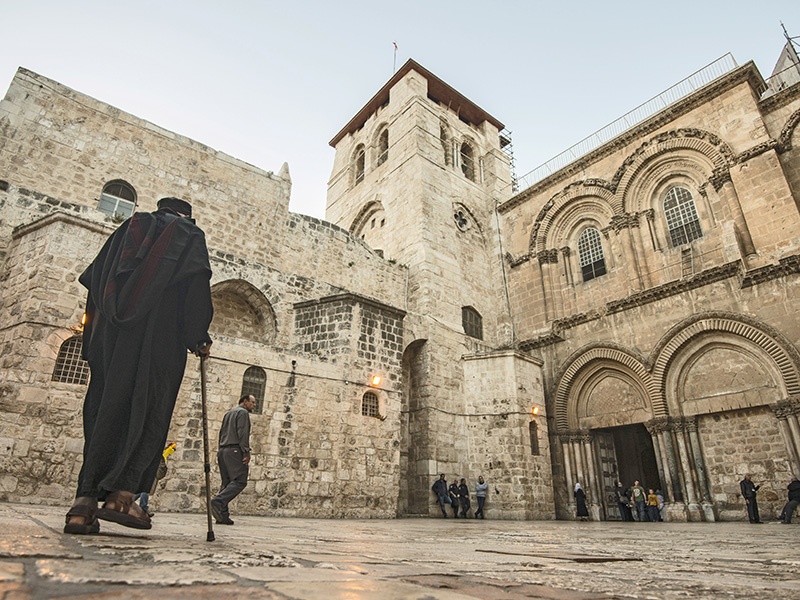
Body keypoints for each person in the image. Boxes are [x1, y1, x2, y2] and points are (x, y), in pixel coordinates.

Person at [64, 197, 213, 535]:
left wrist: (94, 337)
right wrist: (198, 336)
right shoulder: (188, 233)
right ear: (185, 214)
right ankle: (121, 496)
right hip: (157, 341)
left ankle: (83, 504)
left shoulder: (126, 230)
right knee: (148, 409)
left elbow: (96, 282)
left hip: (110, 339)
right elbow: (195, 286)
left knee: (104, 410)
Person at [210, 394, 256, 525]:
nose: (254, 405)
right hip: (235, 450)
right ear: (245, 401)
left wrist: (220, 449)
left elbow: (221, 433)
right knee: (240, 481)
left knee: (227, 482)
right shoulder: (242, 413)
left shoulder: (228, 413)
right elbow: (243, 433)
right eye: (252, 402)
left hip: (223, 450)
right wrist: (246, 452)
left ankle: (222, 515)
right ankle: (218, 502)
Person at [135, 441, 178, 517]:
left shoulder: (161, 452)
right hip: (150, 470)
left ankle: (129, 501)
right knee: (146, 489)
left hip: (153, 469)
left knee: (144, 489)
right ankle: (143, 506)